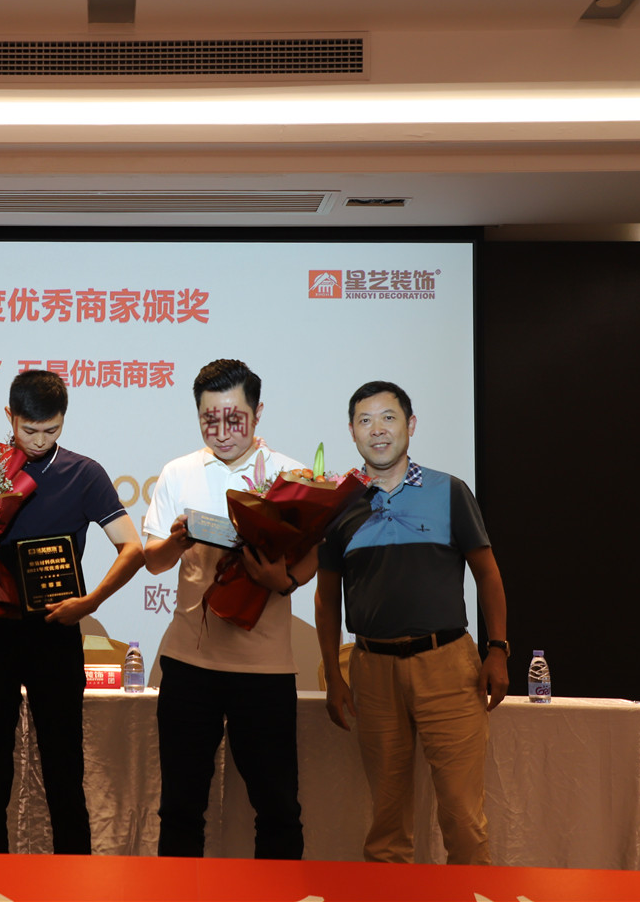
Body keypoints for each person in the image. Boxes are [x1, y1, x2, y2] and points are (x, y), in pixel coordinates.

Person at [0, 369, 145, 854]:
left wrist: (90, 601)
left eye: (51, 430)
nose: (38, 440)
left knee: (63, 765)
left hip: (55, 630)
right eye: (28, 429)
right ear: (8, 416)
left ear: (63, 420)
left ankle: (74, 877)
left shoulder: (84, 474)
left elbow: (132, 547)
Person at [315, 380, 509, 864]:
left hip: (448, 666)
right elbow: (326, 598)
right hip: (372, 670)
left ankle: (470, 894)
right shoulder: (337, 504)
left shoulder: (449, 491)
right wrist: (333, 674)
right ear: (352, 432)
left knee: (463, 816)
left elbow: (487, 573)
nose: (377, 430)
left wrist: (498, 649)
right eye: (365, 421)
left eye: (389, 418)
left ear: (411, 425)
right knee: (386, 824)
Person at [142, 358, 312, 859]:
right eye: (208, 419)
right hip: (188, 665)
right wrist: (175, 542)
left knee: (278, 809)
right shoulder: (178, 472)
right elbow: (153, 561)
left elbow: (316, 553)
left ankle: (277, 895)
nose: (221, 431)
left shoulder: (291, 476)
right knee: (179, 809)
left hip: (265, 668)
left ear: (258, 413)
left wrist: (285, 581)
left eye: (233, 418)